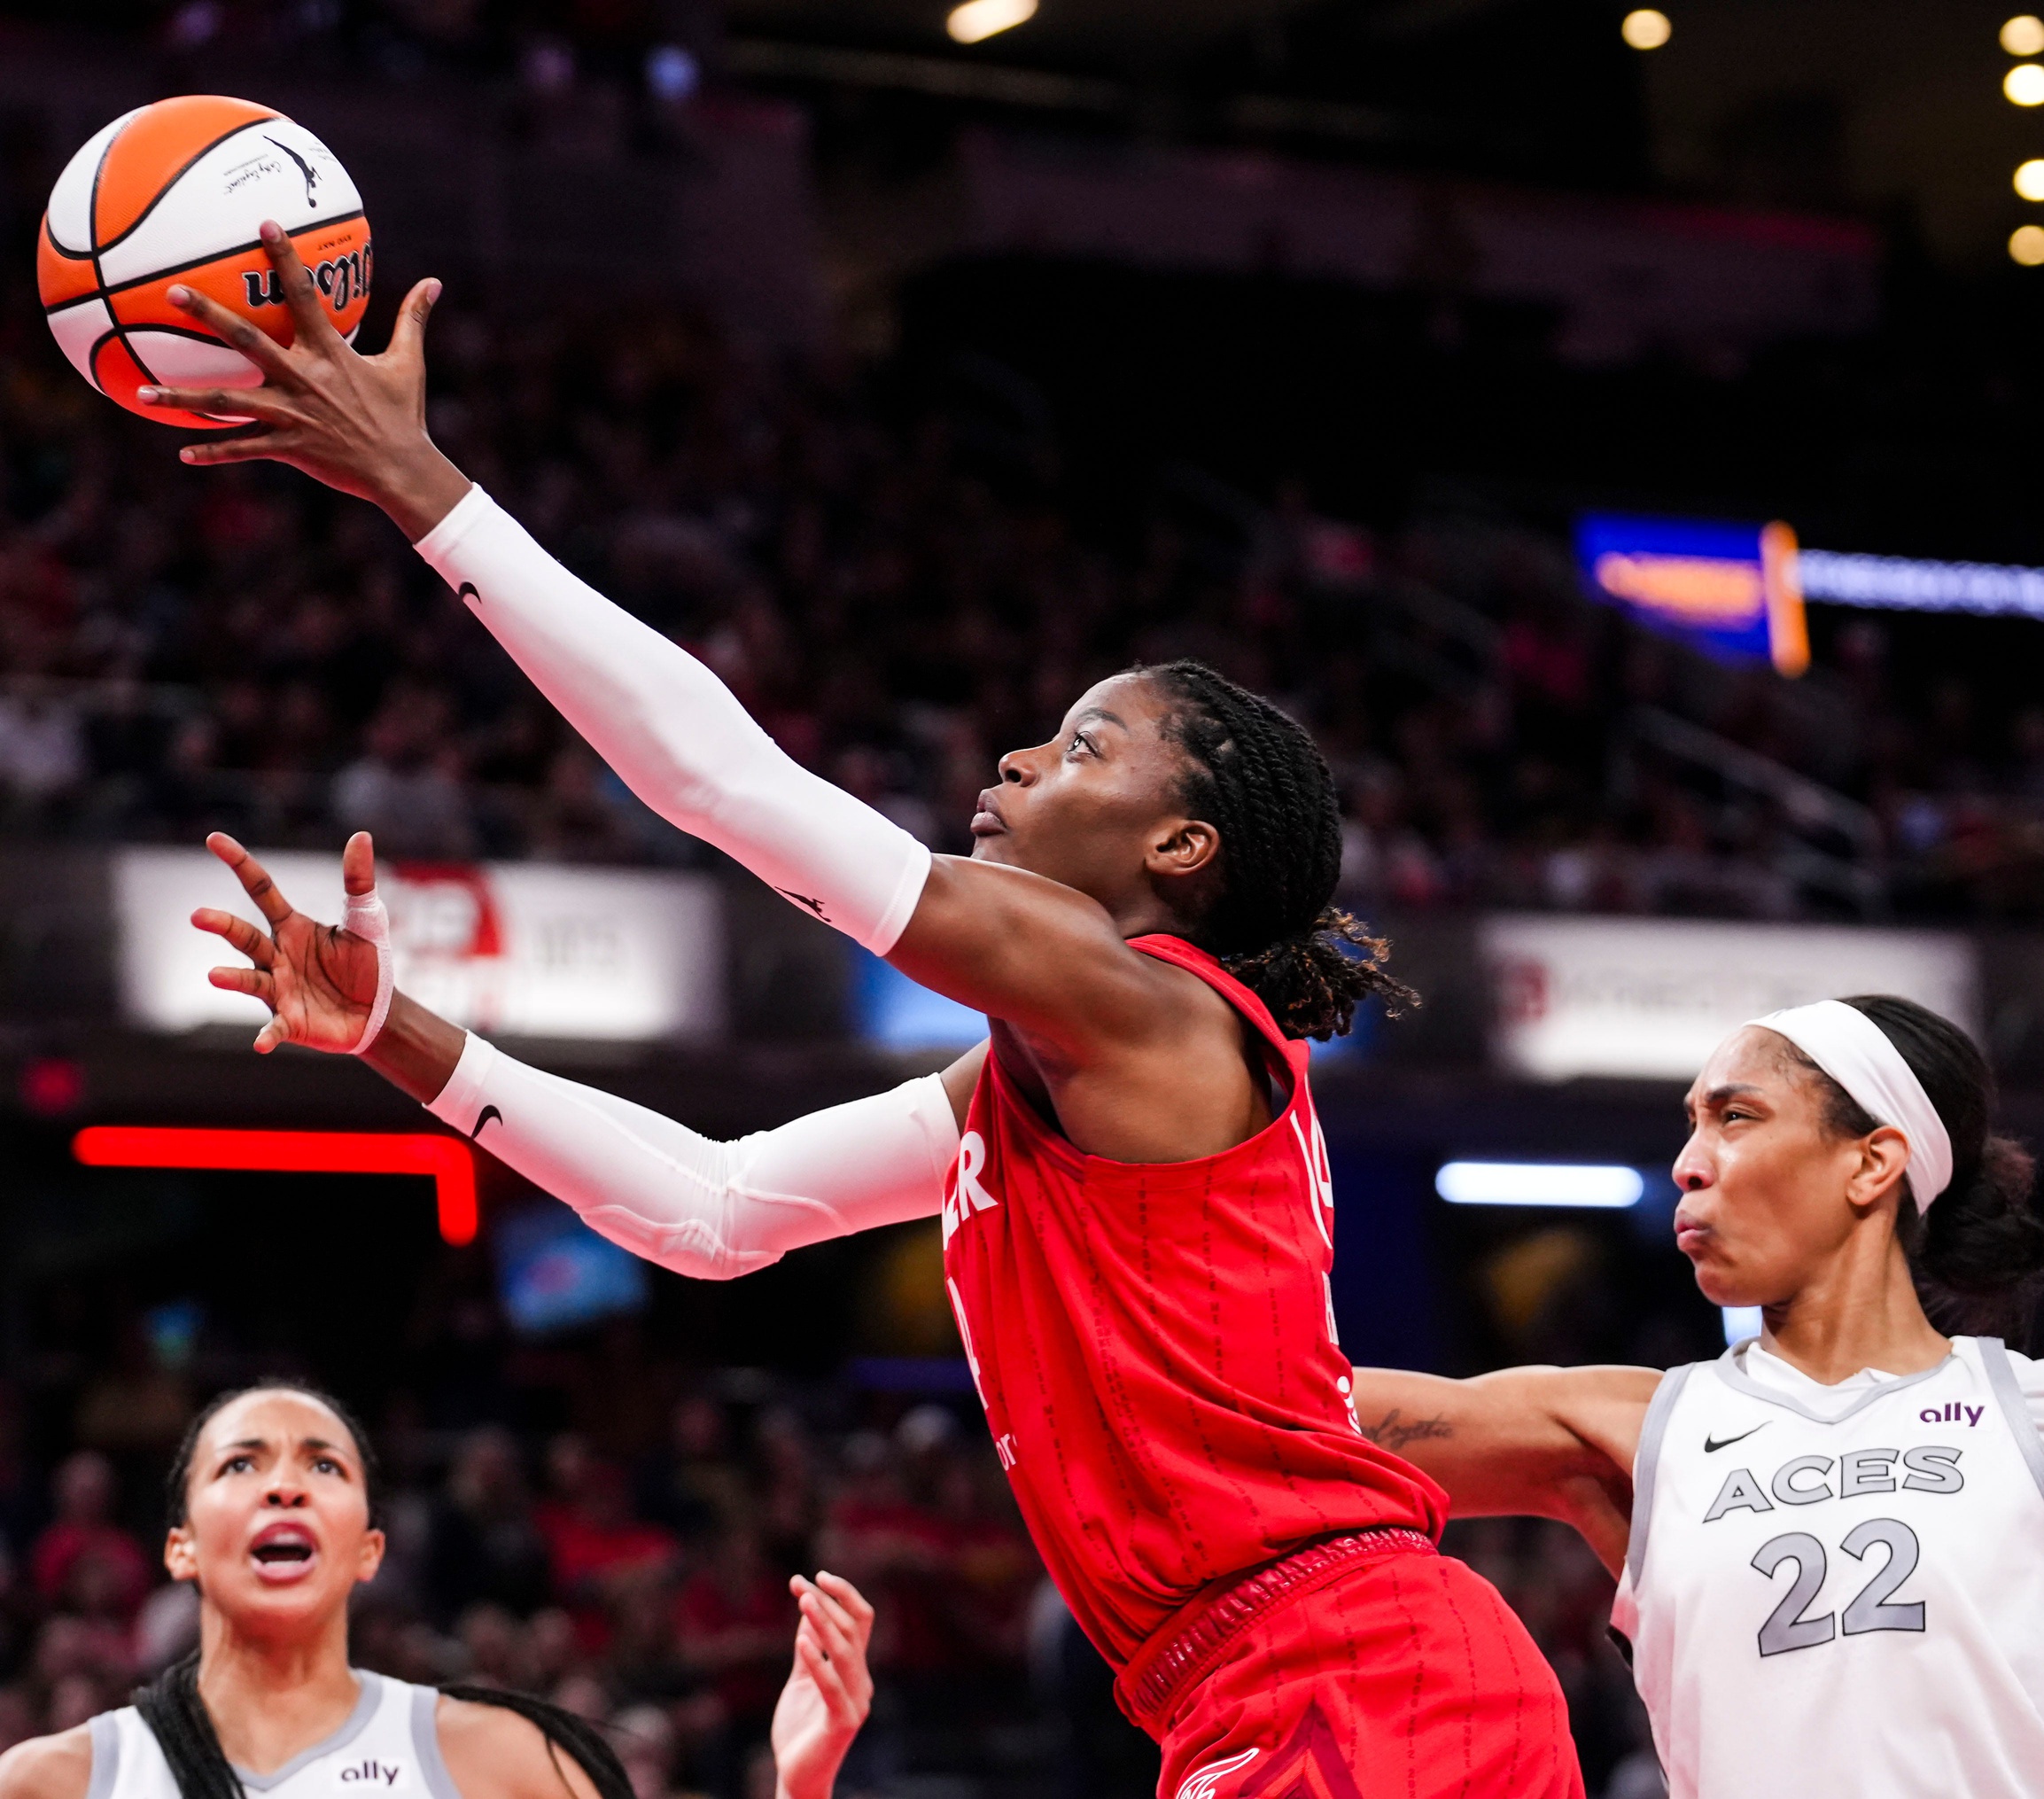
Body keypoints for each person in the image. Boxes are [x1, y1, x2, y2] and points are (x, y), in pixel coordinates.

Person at [142, 230, 1582, 1797]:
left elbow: (724, 785)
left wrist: (426, 492)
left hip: (1355, 1676)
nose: (1023, 763)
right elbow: (715, 1210)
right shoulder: (1034, 1084)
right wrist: (396, 1037)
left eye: (1084, 747)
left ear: (1182, 851)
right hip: (1245, 1685)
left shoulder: (1149, 1010)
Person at [1346, 995, 2044, 1798]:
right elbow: (1270, 1415)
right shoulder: (1635, 1427)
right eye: (1690, 1123)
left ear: (1869, 1163)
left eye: (1735, 1116)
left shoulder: (2018, 1412)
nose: (1687, 1160)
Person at [0, 1383, 874, 1799]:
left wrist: (804, 1782)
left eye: (323, 1465)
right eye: (241, 1463)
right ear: (181, 1547)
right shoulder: (55, 1778)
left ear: (369, 1549)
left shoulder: (497, 1756)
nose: (283, 1486)